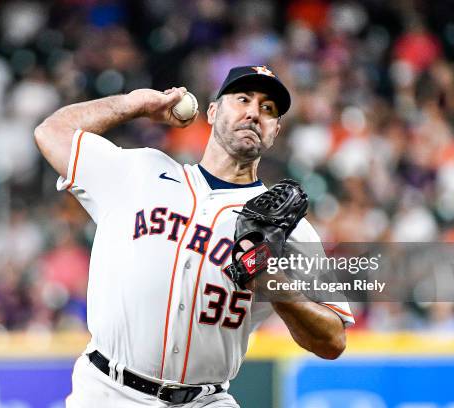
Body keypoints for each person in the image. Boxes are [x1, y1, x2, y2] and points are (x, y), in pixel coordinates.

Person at [34, 65, 355, 407]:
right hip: (106, 392)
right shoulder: (139, 172)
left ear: (275, 130)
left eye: (268, 109)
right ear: (213, 111)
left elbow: (333, 340)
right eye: (243, 99)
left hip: (205, 401)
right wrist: (134, 105)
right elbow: (51, 131)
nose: (254, 113)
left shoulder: (286, 227)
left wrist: (270, 281)